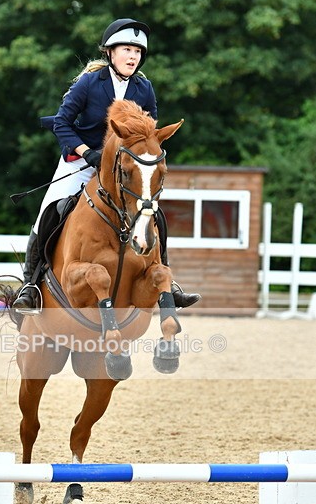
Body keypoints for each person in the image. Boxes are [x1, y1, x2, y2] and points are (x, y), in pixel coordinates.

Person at [13, 17, 201, 313]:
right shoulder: (90, 83)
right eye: (127, 49)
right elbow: (62, 123)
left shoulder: (144, 88)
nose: (133, 57)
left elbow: (149, 133)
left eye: (138, 52)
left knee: (153, 212)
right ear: (110, 53)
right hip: (84, 163)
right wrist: (87, 152)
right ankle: (30, 285)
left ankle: (165, 275)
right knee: (48, 211)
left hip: (124, 169)